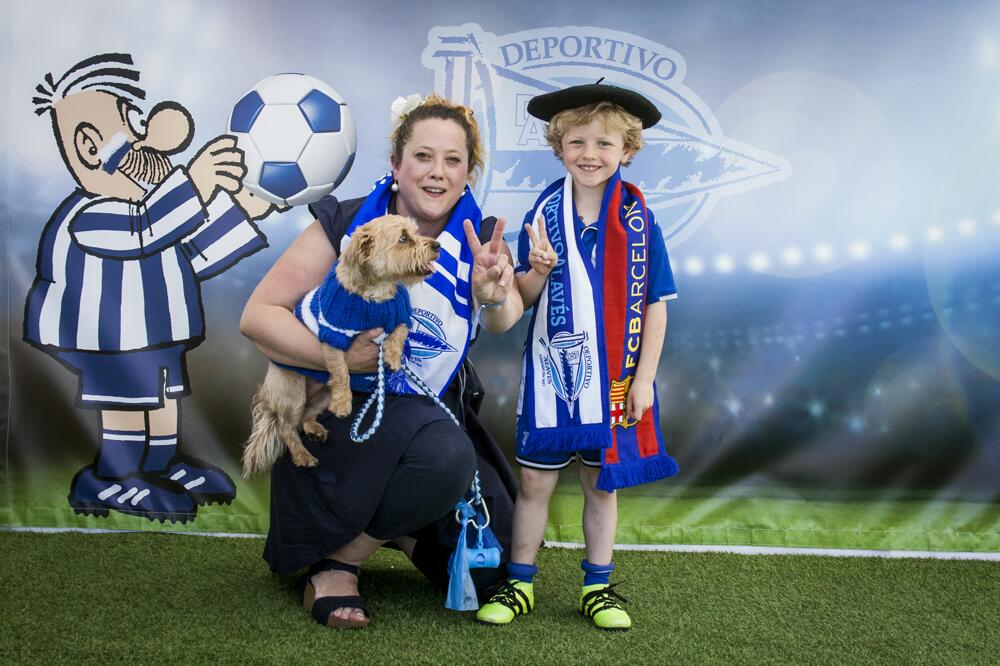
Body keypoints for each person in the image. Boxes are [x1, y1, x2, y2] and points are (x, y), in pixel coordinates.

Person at [240, 93, 523, 629]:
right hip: (347, 413)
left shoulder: (478, 238)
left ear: (469, 173)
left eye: (454, 160)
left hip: (429, 406)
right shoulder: (349, 225)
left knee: (494, 573)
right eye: (423, 157)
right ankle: (338, 564)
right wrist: (343, 359)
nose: (438, 173)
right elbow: (259, 316)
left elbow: (503, 317)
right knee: (445, 455)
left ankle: (391, 522)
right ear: (396, 165)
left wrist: (490, 291)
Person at [25, 52, 274, 523]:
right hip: (109, 337)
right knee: (126, 399)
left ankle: (160, 465)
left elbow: (190, 253)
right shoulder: (92, 213)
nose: (146, 138)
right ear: (88, 145)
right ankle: (112, 477)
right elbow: (146, 228)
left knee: (161, 396)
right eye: (132, 124)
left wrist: (242, 210)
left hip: (155, 334)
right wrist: (196, 183)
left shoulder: (147, 210)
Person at [475, 83, 679, 630]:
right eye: (577, 142)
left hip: (613, 376)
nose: (590, 154)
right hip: (552, 372)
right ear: (558, 146)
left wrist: (644, 380)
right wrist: (536, 271)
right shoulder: (543, 211)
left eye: (604, 144)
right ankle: (520, 582)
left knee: (600, 485)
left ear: (627, 150)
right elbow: (524, 297)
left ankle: (598, 587)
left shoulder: (640, 219)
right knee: (535, 483)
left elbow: (656, 305)